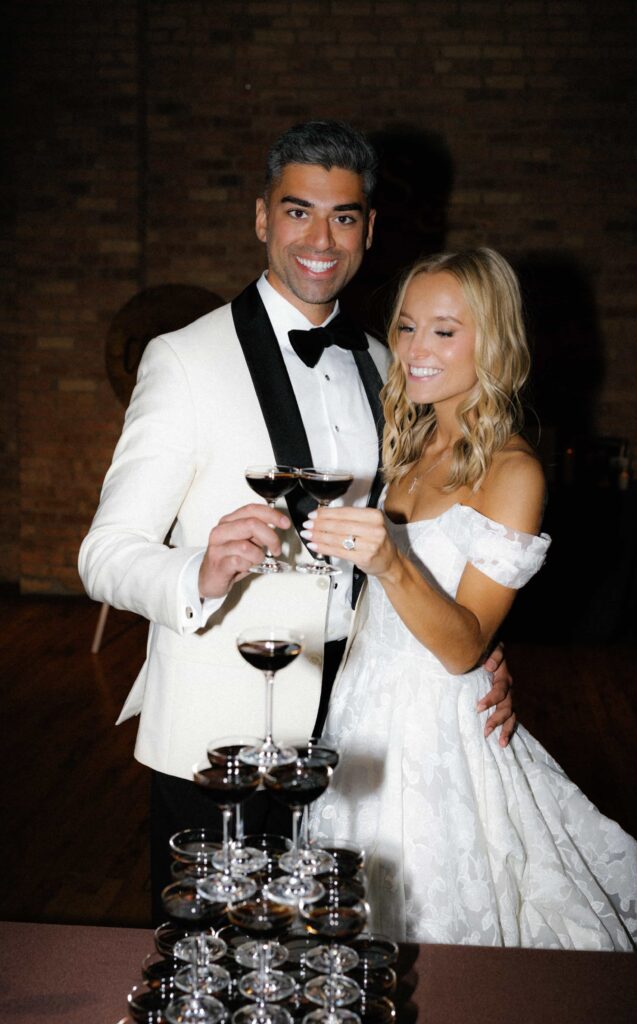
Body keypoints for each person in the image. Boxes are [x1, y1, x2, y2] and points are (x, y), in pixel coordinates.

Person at [78, 122, 515, 914]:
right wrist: (197, 572)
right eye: (297, 211)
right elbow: (104, 553)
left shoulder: (387, 363)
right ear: (260, 218)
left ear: (368, 229)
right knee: (212, 966)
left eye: (343, 216)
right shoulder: (182, 358)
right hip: (217, 742)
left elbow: (420, 533)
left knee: (319, 966)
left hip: (358, 744)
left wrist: (471, 646)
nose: (320, 238)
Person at [307, 248, 637, 951]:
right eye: (405, 327)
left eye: (444, 331)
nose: (415, 350)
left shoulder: (512, 471)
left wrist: (391, 562)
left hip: (435, 731)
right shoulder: (409, 437)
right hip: (361, 707)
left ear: (491, 341)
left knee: (430, 934)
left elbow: (462, 647)